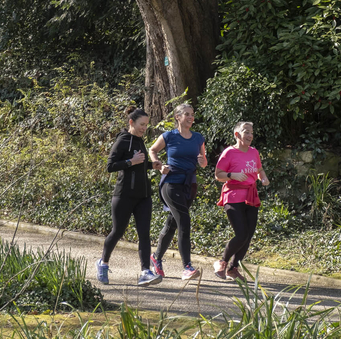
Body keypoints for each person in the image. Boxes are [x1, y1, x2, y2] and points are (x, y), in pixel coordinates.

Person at [96, 107, 164, 286]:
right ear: (131, 123)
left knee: (144, 234)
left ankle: (145, 272)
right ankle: (103, 263)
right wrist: (130, 162)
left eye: (146, 125)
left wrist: (152, 165)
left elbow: (139, 165)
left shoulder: (140, 140)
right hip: (124, 195)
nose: (144, 128)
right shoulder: (123, 140)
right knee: (118, 231)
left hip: (143, 196)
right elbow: (111, 166)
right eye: (142, 125)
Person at [148, 103, 207, 280]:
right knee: (184, 220)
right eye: (187, 114)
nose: (191, 117)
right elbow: (152, 150)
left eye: (192, 114)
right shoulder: (169, 136)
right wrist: (159, 166)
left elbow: (203, 161)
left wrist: (202, 160)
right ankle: (187, 267)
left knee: (173, 222)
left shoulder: (198, 138)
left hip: (189, 184)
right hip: (171, 182)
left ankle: (156, 258)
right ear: (178, 117)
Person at [212, 122, 269, 282]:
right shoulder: (229, 152)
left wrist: (263, 177)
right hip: (233, 195)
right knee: (241, 233)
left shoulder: (254, 152)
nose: (250, 135)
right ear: (237, 135)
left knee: (248, 235)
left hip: (251, 196)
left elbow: (259, 169)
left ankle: (233, 268)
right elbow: (218, 174)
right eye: (246, 132)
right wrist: (232, 175)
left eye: (251, 132)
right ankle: (222, 262)